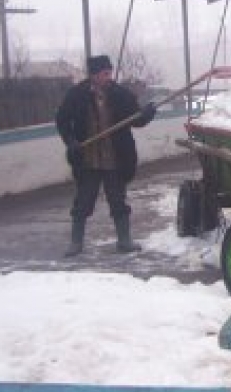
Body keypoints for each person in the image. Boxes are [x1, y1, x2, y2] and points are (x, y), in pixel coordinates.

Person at [56, 55, 156, 257]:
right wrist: (71, 141)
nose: (108, 77)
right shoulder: (76, 95)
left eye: (109, 73)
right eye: (104, 73)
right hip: (88, 160)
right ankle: (76, 243)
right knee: (83, 202)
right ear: (93, 75)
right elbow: (62, 120)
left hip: (115, 159)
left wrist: (146, 114)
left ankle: (124, 241)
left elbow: (136, 120)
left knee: (118, 201)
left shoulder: (120, 94)